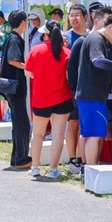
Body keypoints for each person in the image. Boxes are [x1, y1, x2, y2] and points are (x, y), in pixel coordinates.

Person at [75, 13, 112, 167]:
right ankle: (91, 170)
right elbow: (98, 61)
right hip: (92, 96)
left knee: (90, 134)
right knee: (94, 135)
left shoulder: (100, 40)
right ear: (110, 26)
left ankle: (87, 169)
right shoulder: (96, 39)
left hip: (90, 95)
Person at [66, 6, 112, 174]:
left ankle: (87, 165)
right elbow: (72, 69)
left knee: (87, 131)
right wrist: (74, 89)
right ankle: (80, 162)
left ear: (86, 17)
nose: (74, 18)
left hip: (87, 93)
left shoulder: (98, 39)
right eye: (71, 15)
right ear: (97, 20)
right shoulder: (85, 40)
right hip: (83, 93)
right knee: (79, 127)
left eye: (77, 15)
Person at [25, 20, 73, 179]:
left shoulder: (36, 50)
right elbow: (69, 76)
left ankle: (35, 167)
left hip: (41, 98)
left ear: (45, 34)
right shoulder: (66, 52)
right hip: (62, 97)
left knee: (37, 134)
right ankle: (53, 169)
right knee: (58, 135)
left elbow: (28, 73)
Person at [0, 10, 31, 169]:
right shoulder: (15, 39)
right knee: (21, 124)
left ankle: (17, 157)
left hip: (12, 87)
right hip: (15, 87)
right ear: (23, 22)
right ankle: (21, 158)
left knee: (20, 123)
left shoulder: (11, 38)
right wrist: (28, 68)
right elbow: (13, 60)